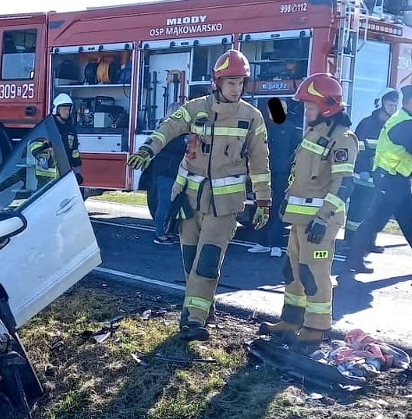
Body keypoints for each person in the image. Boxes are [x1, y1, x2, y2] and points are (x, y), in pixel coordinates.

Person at [127, 50, 271, 341]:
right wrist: (148, 149)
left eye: (241, 82)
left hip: (224, 207)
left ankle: (193, 321)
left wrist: (263, 201)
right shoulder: (195, 108)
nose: (237, 88)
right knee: (191, 260)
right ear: (217, 82)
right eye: (231, 82)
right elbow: (168, 127)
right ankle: (203, 308)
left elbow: (260, 162)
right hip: (189, 202)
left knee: (207, 261)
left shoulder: (251, 118)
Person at [262, 73, 358, 344]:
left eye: (310, 106)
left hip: (319, 223)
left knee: (314, 273)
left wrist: (323, 218)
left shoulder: (342, 139)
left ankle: (316, 329)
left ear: (327, 105)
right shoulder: (314, 133)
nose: (306, 111)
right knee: (292, 271)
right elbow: (300, 174)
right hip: (299, 219)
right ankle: (291, 321)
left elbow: (344, 184)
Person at [344, 84, 412, 274]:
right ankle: (353, 259)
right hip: (389, 179)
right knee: (374, 220)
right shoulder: (403, 123)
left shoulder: (405, 120)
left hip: (397, 178)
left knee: (410, 220)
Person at [344, 89, 399, 251]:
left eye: (395, 104)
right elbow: (358, 149)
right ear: (381, 103)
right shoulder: (367, 124)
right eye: (390, 104)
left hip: (382, 176)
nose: (393, 107)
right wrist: (363, 170)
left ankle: (370, 242)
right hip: (364, 176)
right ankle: (350, 242)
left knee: (375, 211)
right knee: (357, 210)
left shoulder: (393, 125)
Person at [248, 97, 303, 254]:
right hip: (263, 174)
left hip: (281, 176)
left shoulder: (291, 129)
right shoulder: (263, 128)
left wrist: (287, 167)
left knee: (278, 208)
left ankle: (276, 245)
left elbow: (296, 152)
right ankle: (262, 242)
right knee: (261, 206)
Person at [150, 135, 189, 245]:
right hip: (167, 174)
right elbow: (177, 147)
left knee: (169, 204)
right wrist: (185, 139)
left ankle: (165, 232)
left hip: (168, 173)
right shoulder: (170, 138)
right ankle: (160, 235)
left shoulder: (168, 136)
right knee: (164, 204)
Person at [50, 93, 83, 185]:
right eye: (64, 109)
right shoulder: (49, 127)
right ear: (56, 110)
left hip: (65, 172)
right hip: (48, 176)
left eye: (68, 109)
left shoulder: (71, 129)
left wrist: (78, 173)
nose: (67, 112)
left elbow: (74, 151)